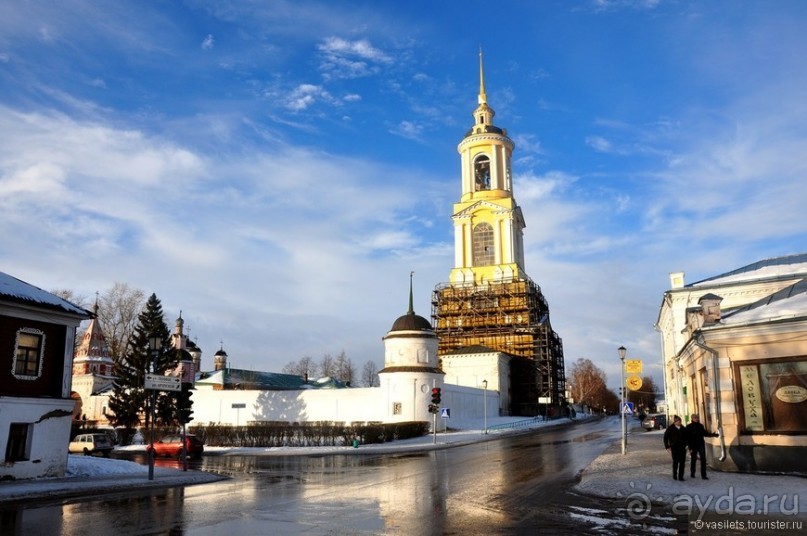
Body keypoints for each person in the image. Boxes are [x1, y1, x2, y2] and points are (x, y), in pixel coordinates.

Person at [686, 413, 719, 479]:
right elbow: (688, 438)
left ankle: (703, 475)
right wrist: (689, 447)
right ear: (692, 419)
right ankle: (692, 473)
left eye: (697, 418)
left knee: (703, 459)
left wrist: (713, 435)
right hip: (693, 445)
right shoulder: (688, 427)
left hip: (701, 444)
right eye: (695, 418)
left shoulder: (700, 426)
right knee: (693, 459)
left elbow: (705, 433)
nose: (697, 419)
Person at [663, 415, 688, 480]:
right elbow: (665, 438)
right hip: (674, 447)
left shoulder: (683, 428)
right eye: (678, 421)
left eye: (680, 421)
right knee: (676, 461)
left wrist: (686, 444)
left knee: (682, 462)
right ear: (675, 422)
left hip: (682, 447)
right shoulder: (670, 428)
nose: (680, 422)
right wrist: (667, 447)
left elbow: (687, 438)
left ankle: (681, 476)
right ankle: (675, 475)